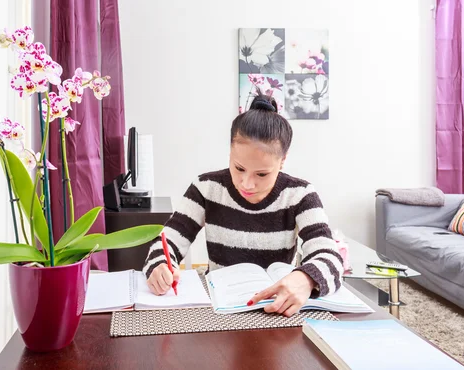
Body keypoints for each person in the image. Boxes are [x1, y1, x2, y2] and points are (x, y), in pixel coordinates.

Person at [144, 91, 344, 317]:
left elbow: (330, 256)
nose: (247, 184)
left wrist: (306, 279)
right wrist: (160, 265)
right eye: (239, 168)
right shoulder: (206, 188)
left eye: (261, 174)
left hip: (277, 311)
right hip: (219, 310)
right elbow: (167, 240)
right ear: (229, 151)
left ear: (283, 160)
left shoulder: (300, 195)